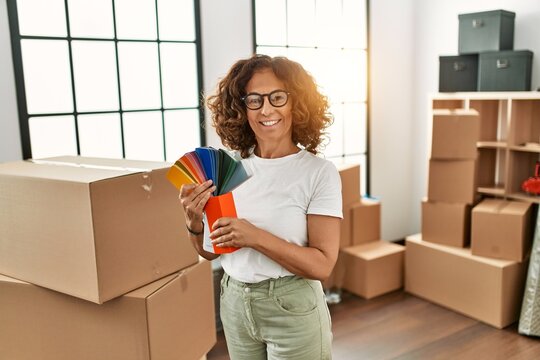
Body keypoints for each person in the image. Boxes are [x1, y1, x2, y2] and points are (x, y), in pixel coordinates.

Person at [179, 54, 342, 360]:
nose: (267, 109)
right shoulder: (226, 168)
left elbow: (322, 265)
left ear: (297, 103)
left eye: (277, 97)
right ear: (241, 109)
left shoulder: (318, 172)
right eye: (254, 100)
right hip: (235, 303)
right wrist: (194, 224)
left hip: (292, 307)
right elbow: (212, 251)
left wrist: (254, 236)